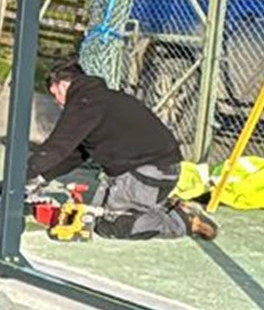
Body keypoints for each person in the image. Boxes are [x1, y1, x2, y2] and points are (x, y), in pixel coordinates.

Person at [26, 59, 218, 240]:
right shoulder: (99, 98)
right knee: (96, 214)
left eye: (55, 95)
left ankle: (182, 222)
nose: (58, 102)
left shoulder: (84, 102)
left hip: (148, 171)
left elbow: (59, 144)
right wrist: (42, 176)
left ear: (62, 85)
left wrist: (24, 174)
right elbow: (76, 153)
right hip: (157, 169)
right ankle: (163, 206)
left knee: (110, 225)